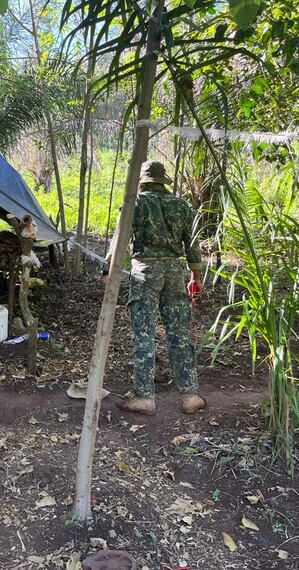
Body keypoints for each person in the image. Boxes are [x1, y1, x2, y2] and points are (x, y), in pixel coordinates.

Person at [106, 160, 206, 416]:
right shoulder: (182, 205)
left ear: (143, 181)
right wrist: (196, 275)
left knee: (144, 334)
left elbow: (120, 238)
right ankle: (190, 396)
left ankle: (145, 398)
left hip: (145, 272)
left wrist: (108, 270)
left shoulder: (135, 203)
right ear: (163, 182)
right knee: (179, 334)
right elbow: (192, 244)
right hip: (174, 271)